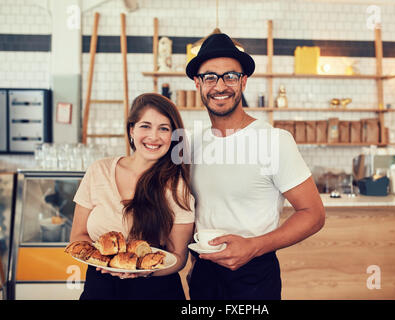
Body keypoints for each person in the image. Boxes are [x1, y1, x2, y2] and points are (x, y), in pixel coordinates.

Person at [185, 33, 326, 300]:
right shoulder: (193, 145)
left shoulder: (275, 141)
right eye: (210, 77)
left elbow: (314, 214)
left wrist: (254, 246)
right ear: (198, 83)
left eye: (230, 76)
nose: (220, 85)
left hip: (254, 277)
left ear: (244, 81)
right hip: (203, 274)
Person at [70, 93, 195, 300]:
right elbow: (78, 236)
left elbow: (179, 256)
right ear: (131, 130)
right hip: (99, 288)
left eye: (163, 128)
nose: (154, 137)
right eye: (145, 126)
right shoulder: (98, 170)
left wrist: (146, 269)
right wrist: (109, 262)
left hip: (156, 291)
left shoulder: (177, 185)